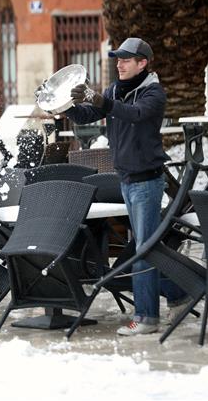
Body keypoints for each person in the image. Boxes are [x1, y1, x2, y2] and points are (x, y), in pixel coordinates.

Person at [62, 37, 189, 335]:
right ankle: (180, 293)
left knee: (143, 251)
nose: (119, 63)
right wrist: (64, 103)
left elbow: (136, 115)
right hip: (127, 180)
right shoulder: (115, 90)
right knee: (144, 250)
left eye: (126, 59)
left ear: (143, 63)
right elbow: (88, 115)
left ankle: (146, 319)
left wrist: (101, 101)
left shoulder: (153, 94)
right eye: (117, 59)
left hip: (147, 181)